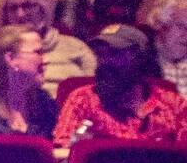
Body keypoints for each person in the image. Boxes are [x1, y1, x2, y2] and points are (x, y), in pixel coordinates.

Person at [54, 24, 187, 151]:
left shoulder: (173, 104)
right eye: (100, 54)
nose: (105, 62)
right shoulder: (83, 99)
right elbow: (63, 152)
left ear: (140, 58)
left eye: (114, 54)